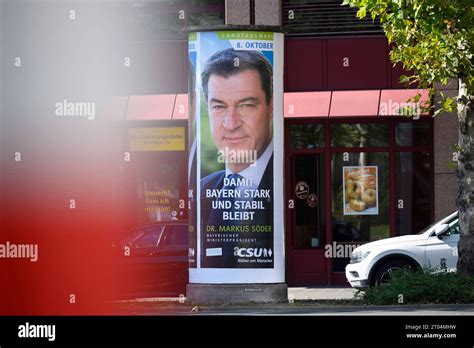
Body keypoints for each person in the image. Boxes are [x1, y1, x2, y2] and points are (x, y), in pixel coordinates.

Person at [199, 48, 274, 268]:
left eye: (246, 105)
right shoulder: (204, 188)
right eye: (219, 106)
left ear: (270, 108)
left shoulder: (284, 180)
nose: (231, 124)